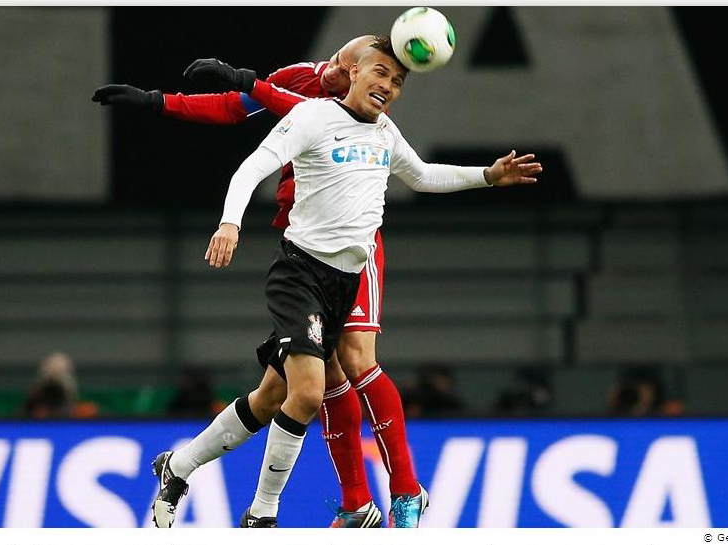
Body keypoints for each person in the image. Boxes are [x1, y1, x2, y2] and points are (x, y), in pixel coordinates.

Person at [146, 36, 541, 528]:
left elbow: (422, 176)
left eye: (397, 81)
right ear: (353, 72)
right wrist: (230, 222)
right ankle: (262, 515)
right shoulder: (312, 117)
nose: (387, 85)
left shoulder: (384, 132)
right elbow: (252, 168)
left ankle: (177, 465)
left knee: (272, 396)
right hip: (300, 274)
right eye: (380, 72)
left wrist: (487, 175)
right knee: (310, 393)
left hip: (343, 284)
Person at [94, 36, 427, 527]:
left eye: (344, 66)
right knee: (285, 391)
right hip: (306, 248)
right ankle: (185, 466)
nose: (332, 72)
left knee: (351, 362)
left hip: (352, 245)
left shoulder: (362, 110)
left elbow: (279, 102)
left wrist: (247, 80)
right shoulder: (304, 79)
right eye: (334, 62)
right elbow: (238, 107)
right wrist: (156, 102)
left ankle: (398, 491)